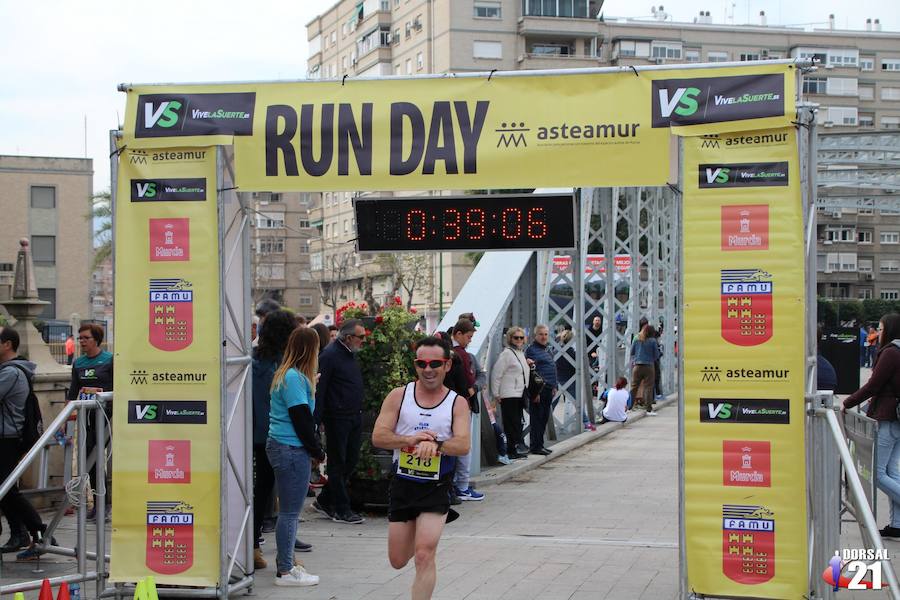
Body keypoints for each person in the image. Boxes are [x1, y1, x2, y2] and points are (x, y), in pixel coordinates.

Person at [372, 336, 471, 600]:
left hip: (436, 488)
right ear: (415, 365)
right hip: (403, 485)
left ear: (447, 365)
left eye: (435, 363)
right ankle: (417, 533)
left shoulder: (456, 402)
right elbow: (379, 436)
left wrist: (436, 446)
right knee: (397, 560)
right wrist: (408, 440)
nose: (428, 369)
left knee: (425, 555)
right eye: (422, 363)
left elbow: (463, 445)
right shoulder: (398, 396)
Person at [267, 327, 326, 586]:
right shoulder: (294, 378)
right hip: (290, 448)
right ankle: (286, 570)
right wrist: (316, 450)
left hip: (284, 445)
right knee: (290, 513)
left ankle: (287, 563)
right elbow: (301, 418)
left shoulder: (290, 375)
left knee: (288, 512)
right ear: (311, 350)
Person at [251, 310, 306, 570]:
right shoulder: (285, 366)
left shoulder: (252, 361)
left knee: (259, 490)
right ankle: (286, 554)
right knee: (286, 495)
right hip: (279, 434)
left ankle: (252, 545)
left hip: (252, 432)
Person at [843, 314, 900, 539]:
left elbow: (873, 385)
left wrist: (848, 402)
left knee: (877, 474)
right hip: (896, 418)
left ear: (890, 329)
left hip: (887, 417)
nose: (878, 329)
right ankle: (897, 524)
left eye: (881, 326)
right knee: (892, 472)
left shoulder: (890, 353)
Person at [0, 327, 48, 556]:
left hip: (7, 438)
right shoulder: (9, 370)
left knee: (7, 490)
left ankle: (39, 532)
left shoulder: (11, 373)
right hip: (6, 436)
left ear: (7, 344)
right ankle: (20, 533)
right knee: (6, 490)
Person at [312, 319, 366, 524]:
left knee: (350, 460)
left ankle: (325, 499)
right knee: (337, 463)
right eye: (361, 337)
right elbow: (321, 389)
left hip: (353, 415)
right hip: (337, 417)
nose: (363, 341)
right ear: (349, 337)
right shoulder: (330, 355)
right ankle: (341, 509)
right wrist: (316, 422)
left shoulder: (349, 354)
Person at [67, 323, 113, 522]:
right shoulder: (78, 363)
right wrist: (66, 420)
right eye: (80, 338)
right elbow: (72, 393)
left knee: (101, 458)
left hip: (106, 416)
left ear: (96, 339)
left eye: (86, 338)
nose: (82, 341)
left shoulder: (109, 360)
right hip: (86, 417)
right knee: (89, 460)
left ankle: (106, 504)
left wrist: (102, 394)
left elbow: (118, 388)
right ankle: (97, 503)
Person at [448, 319, 484, 501]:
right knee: (463, 447)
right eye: (469, 336)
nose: (470, 340)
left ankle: (454, 485)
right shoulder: (460, 354)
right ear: (459, 334)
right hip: (461, 404)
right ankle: (461, 486)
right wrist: (472, 390)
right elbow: (469, 380)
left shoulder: (449, 350)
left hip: (449, 404)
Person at [490, 327, 530, 460]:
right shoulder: (507, 354)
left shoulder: (519, 353)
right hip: (509, 394)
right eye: (516, 337)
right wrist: (496, 394)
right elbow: (496, 374)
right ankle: (511, 450)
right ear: (510, 339)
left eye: (521, 337)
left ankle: (514, 448)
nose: (519, 340)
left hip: (519, 393)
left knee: (517, 422)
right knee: (511, 423)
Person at [525, 324, 558, 456]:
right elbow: (531, 373)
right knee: (537, 418)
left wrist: (555, 386)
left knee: (544, 417)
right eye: (541, 334)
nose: (544, 337)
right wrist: (534, 392)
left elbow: (552, 369)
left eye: (546, 334)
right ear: (535, 336)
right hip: (539, 390)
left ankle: (540, 445)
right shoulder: (532, 350)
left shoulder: (547, 350)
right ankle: (535, 446)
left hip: (549, 388)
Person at [630, 324, 660, 415]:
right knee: (648, 388)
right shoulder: (653, 341)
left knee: (634, 387)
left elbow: (632, 352)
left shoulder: (636, 339)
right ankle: (648, 409)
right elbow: (656, 355)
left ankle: (629, 407)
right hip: (649, 366)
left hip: (637, 366)